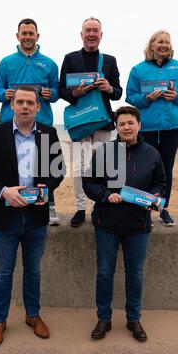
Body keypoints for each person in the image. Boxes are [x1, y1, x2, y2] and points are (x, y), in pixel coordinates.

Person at [0, 87, 65, 347]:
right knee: (3, 273)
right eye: (20, 102)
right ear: (12, 105)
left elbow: (58, 171)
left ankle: (33, 316)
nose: (25, 106)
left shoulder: (48, 133)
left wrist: (44, 189)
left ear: (38, 107)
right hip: (5, 216)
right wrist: (4, 191)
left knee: (33, 271)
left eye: (30, 103)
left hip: (36, 216)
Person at [83, 106, 165, 342]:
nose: (126, 127)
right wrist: (106, 195)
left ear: (139, 125)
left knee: (135, 274)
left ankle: (133, 318)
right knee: (105, 274)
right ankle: (104, 318)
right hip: (106, 223)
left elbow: (161, 184)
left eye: (130, 123)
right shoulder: (104, 152)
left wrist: (152, 198)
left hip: (138, 225)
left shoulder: (152, 154)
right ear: (116, 128)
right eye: (122, 124)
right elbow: (90, 183)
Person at [0, 18, 61, 226]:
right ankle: (8, 205)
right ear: (17, 36)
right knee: (10, 166)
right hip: (10, 122)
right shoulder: (6, 62)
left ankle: (49, 205)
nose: (28, 37)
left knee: (46, 166)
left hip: (42, 122)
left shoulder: (49, 63)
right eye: (24, 33)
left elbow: (58, 91)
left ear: (37, 36)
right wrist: (5, 93)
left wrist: (51, 93)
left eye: (31, 33)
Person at [126, 30, 178, 226]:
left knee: (167, 168)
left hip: (172, 127)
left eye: (167, 42)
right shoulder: (138, 69)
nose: (164, 45)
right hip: (147, 127)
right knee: (145, 169)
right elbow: (130, 96)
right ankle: (144, 208)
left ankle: (164, 209)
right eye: (160, 42)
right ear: (152, 45)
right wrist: (145, 98)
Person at [59, 17, 122, 227]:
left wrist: (109, 88)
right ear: (81, 34)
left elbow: (118, 93)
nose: (92, 34)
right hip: (80, 121)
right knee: (78, 166)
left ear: (101, 35)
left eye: (96, 30)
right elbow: (62, 90)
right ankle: (79, 208)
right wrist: (75, 92)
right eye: (88, 30)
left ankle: (98, 207)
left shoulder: (110, 60)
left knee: (101, 167)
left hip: (103, 121)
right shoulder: (70, 58)